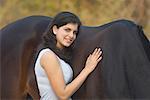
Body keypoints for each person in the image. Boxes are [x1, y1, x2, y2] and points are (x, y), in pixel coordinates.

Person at [34, 11, 103, 100]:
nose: (71, 36)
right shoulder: (48, 56)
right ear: (55, 29)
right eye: (67, 30)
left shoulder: (58, 56)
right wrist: (87, 69)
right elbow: (63, 94)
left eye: (74, 32)